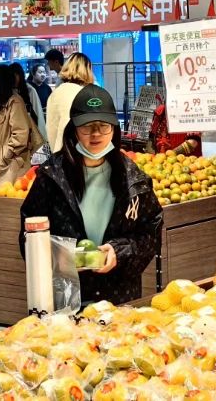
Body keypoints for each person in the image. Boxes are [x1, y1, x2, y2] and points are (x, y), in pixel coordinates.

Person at [20, 84, 162, 304]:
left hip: (119, 298)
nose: (96, 133)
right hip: (66, 298)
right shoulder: (51, 177)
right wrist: (60, 255)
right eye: (87, 126)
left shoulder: (134, 179)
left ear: (114, 129)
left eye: (103, 126)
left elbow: (150, 233)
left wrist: (119, 252)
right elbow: (28, 236)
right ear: (74, 129)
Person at [0, 64, 41, 191]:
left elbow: (21, 134)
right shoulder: (1, 103)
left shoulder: (15, 102)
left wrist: (5, 155)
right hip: (2, 165)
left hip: (10, 166)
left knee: (8, 198)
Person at [45, 53, 95, 151]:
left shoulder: (56, 92)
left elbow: (51, 126)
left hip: (57, 150)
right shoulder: (82, 93)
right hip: (76, 151)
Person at [9, 61, 45, 141]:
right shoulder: (7, 92)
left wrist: (42, 136)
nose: (14, 78)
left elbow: (37, 113)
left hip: (29, 132)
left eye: (16, 75)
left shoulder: (29, 90)